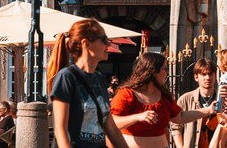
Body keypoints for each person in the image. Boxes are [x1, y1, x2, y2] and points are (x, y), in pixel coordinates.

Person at [47, 19, 127, 148]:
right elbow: (61, 130)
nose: (108, 44)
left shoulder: (99, 78)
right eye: (104, 39)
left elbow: (111, 127)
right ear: (86, 44)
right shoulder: (67, 77)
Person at [110, 52, 215, 148]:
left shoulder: (164, 96)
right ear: (154, 71)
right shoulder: (126, 94)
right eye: (165, 69)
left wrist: (208, 110)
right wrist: (138, 117)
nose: (167, 73)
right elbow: (112, 122)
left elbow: (180, 117)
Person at [172, 58, 220, 148]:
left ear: (215, 75)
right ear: (196, 77)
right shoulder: (185, 99)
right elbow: (175, 127)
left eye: (210, 74)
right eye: (203, 74)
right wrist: (180, 146)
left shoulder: (221, 99)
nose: (207, 78)